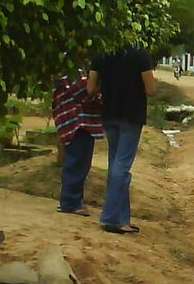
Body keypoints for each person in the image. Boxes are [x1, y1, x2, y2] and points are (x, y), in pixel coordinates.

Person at [87, 44, 155, 235]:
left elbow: (90, 88)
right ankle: (111, 218)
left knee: (115, 164)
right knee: (122, 167)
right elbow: (151, 89)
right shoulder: (140, 54)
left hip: (109, 113)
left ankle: (122, 219)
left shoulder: (102, 53)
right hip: (132, 116)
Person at [52, 69, 103, 216]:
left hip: (77, 121)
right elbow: (84, 91)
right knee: (77, 162)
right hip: (77, 122)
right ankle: (70, 202)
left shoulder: (73, 67)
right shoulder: (74, 70)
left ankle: (72, 201)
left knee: (79, 162)